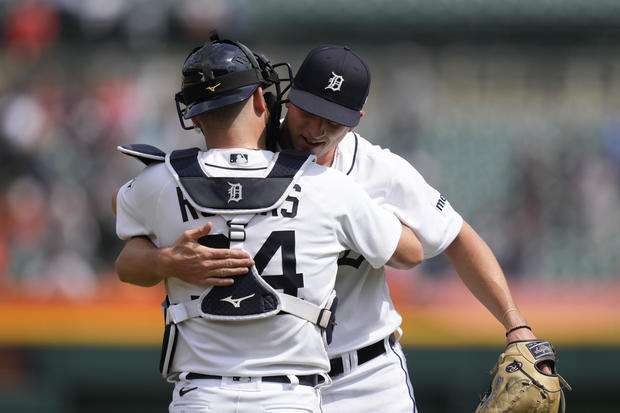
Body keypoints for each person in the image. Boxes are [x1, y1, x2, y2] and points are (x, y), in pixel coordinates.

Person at [116, 44, 548, 412]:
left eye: (335, 120)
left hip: (364, 375)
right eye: (310, 112)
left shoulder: (377, 171)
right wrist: (165, 259)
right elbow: (133, 256)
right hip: (270, 381)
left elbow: (453, 237)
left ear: (357, 118)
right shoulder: (237, 158)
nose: (318, 130)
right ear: (284, 99)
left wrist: (516, 325)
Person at [114, 36, 423, 413]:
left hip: (201, 397)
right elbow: (410, 252)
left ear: (193, 116)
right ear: (263, 100)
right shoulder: (327, 187)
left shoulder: (158, 184)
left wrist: (166, 260)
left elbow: (126, 255)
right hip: (290, 396)